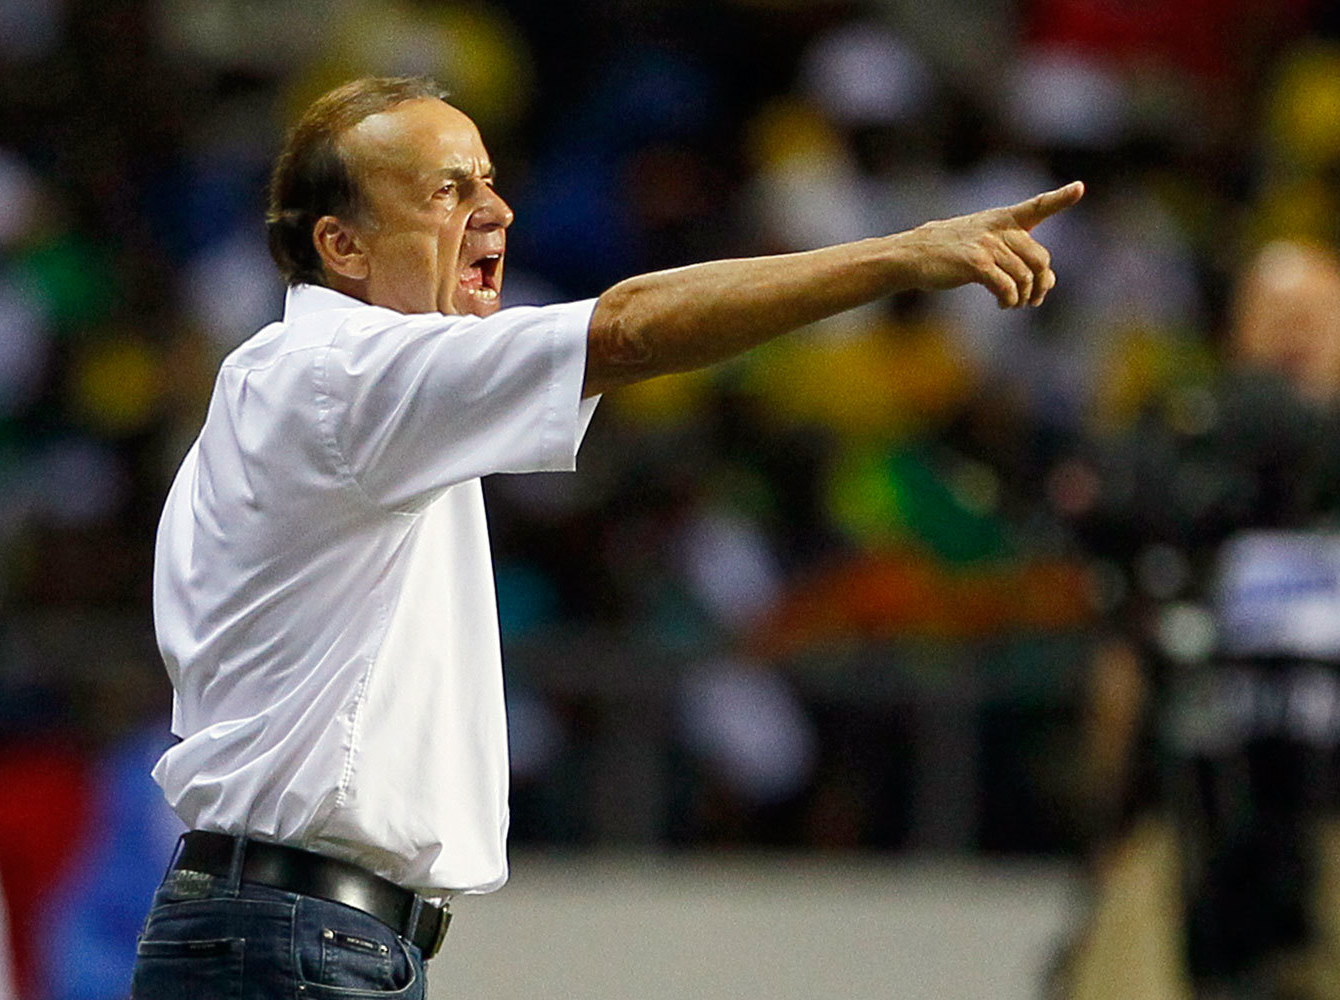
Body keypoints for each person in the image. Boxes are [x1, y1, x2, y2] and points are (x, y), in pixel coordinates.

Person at [133, 75, 1083, 999]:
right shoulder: (341, 375)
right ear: (340, 244)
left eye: (489, 180)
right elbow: (626, 331)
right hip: (296, 943)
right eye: (447, 191)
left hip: (290, 932)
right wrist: (900, 257)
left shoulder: (294, 385)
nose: (495, 211)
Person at [1053, 241, 1340, 1000]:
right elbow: (1122, 649)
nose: (1298, 335)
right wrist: (1106, 818)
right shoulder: (1170, 468)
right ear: (1235, 331)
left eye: (1320, 317)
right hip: (1183, 802)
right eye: (1278, 315)